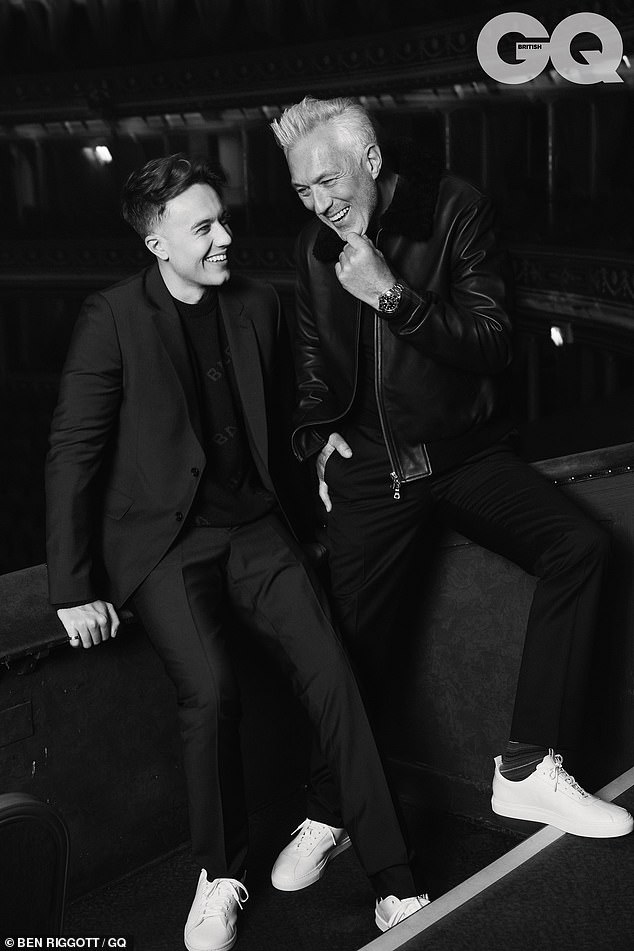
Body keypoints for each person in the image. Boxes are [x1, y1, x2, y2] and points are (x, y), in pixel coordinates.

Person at [45, 154, 428, 951]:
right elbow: (74, 450)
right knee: (212, 691)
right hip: (164, 543)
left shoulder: (257, 303)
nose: (225, 237)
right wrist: (72, 585)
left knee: (336, 674)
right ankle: (219, 874)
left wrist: (318, 442)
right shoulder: (112, 316)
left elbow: (283, 411)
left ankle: (396, 882)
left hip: (257, 527)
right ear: (157, 243)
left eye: (223, 219)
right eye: (204, 228)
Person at [269, 95, 632, 888]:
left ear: (370, 161)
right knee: (352, 647)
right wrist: (314, 435)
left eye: (328, 180)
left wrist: (392, 295)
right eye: (302, 190)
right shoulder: (311, 247)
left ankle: (528, 765)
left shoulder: (454, 208)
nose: (319, 202)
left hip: (462, 454)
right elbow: (311, 364)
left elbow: (494, 341)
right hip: (372, 471)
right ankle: (330, 808)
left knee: (580, 546)